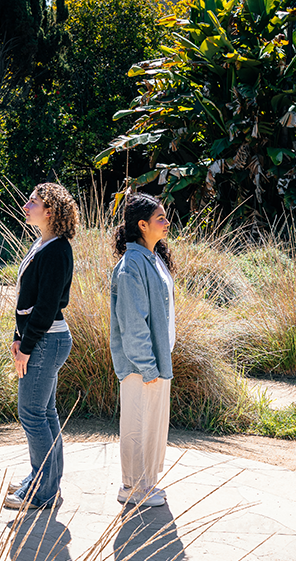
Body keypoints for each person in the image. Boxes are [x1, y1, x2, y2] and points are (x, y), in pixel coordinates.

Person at [6, 183, 79, 510]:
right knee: (44, 413)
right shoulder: (45, 243)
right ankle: (45, 481)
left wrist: (27, 345)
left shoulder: (57, 250)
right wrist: (17, 337)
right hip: (43, 339)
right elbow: (27, 300)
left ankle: (41, 491)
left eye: (32, 202)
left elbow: (47, 305)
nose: (26, 206)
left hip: (47, 340)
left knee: (32, 414)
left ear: (49, 210)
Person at [109, 193, 175, 508]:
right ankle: (132, 487)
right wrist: (148, 366)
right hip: (141, 364)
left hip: (156, 360)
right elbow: (132, 322)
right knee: (137, 424)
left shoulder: (151, 257)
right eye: (160, 218)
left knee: (151, 425)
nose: (166, 222)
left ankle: (146, 483)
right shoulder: (132, 264)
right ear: (142, 225)